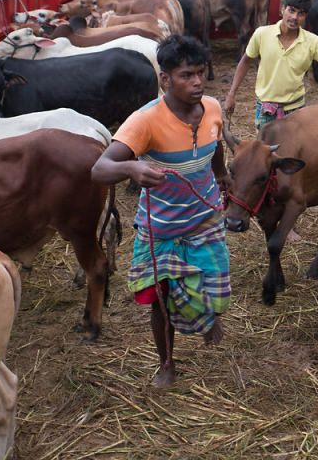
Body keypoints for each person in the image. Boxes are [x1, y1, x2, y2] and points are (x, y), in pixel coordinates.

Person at [91, 35, 230, 388]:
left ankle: (208, 316)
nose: (197, 82)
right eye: (186, 75)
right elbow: (99, 169)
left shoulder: (213, 108)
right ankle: (166, 363)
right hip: (162, 226)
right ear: (165, 79)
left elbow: (214, 145)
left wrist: (221, 174)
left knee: (213, 285)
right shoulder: (144, 121)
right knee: (162, 300)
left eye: (200, 73)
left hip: (207, 219)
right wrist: (132, 169)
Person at [224, 0, 318, 129]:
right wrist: (231, 94)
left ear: (305, 17)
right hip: (265, 109)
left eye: (301, 14)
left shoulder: (312, 41)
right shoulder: (262, 34)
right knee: (265, 149)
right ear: (282, 9)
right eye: (291, 10)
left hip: (295, 110)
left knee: (292, 151)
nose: (295, 17)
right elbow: (246, 60)